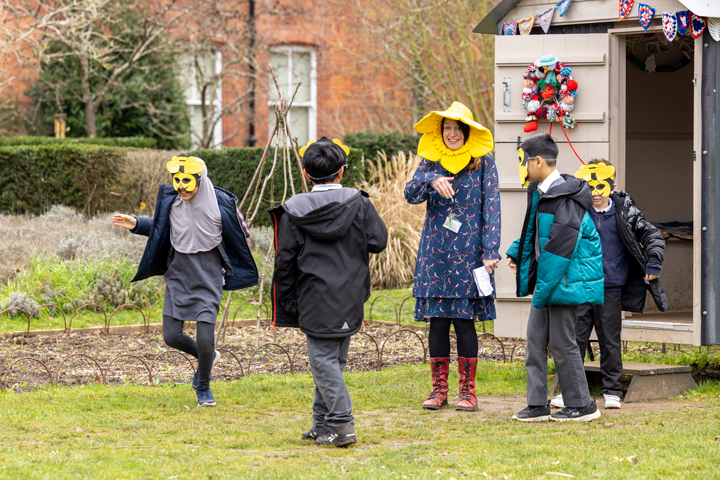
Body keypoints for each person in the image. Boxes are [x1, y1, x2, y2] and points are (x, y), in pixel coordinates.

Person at [112, 155, 258, 407]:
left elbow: (241, 231)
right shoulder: (173, 203)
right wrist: (135, 223)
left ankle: (203, 387)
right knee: (171, 336)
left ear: (200, 179)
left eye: (187, 182)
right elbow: (160, 226)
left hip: (208, 276)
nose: (181, 187)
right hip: (179, 275)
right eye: (177, 181)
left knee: (204, 338)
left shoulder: (221, 204)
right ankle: (208, 357)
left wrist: (238, 233)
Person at [269, 137, 387, 448]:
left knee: (323, 361)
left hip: (315, 297)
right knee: (333, 361)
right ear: (342, 171)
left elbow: (285, 261)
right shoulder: (359, 203)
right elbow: (378, 241)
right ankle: (322, 424)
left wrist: (285, 299)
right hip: (350, 294)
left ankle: (342, 424)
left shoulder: (293, 210)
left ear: (307, 174)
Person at [404, 102, 499, 412]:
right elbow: (410, 194)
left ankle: (467, 392)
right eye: (448, 128)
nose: (453, 133)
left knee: (464, 323)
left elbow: (492, 208)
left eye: (459, 128)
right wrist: (430, 181)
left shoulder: (484, 161)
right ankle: (438, 389)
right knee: (438, 323)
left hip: (471, 254)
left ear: (468, 132)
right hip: (436, 254)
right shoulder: (430, 161)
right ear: (440, 132)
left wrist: (490, 251)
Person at [550, 159, 667, 410]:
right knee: (575, 339)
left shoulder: (626, 212)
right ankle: (570, 391)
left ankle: (612, 390)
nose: (595, 193)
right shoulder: (577, 210)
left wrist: (654, 263)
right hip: (580, 286)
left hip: (611, 287)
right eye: (590, 186)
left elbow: (652, 235)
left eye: (600, 186)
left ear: (612, 186)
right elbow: (551, 234)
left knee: (610, 340)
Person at [506, 133, 603, 422]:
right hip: (551, 281)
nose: (521, 167)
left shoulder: (566, 197)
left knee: (563, 344)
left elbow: (559, 251)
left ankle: (583, 406)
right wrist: (516, 253)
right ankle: (537, 404)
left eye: (523, 161)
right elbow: (536, 232)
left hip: (565, 281)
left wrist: (542, 289)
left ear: (537, 161)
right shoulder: (542, 191)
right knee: (535, 342)